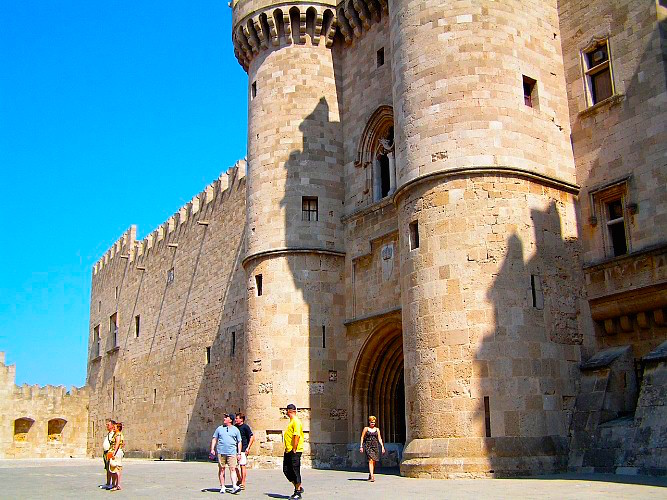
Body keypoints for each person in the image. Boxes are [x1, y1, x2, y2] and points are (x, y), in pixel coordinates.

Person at [210, 413, 242, 494]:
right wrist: (212, 449)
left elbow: (239, 442)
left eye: (226, 417)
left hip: (232, 452)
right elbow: (214, 438)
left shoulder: (235, 430)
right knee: (222, 469)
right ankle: (223, 486)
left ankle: (234, 485)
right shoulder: (219, 428)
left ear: (230, 420)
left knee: (233, 469)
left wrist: (239, 453)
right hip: (221, 452)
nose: (224, 418)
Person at [283, 404, 304, 500]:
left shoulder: (296, 421)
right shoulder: (291, 422)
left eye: (286, 411)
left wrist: (294, 448)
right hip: (288, 450)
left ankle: (298, 492)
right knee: (286, 470)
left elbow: (297, 435)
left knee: (295, 470)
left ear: (289, 411)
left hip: (295, 450)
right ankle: (298, 486)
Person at [359, 416, 385, 482]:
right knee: (370, 460)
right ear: (369, 422)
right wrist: (361, 446)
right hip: (368, 445)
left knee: (374, 460)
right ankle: (372, 476)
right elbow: (362, 437)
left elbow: (379, 438)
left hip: (375, 446)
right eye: (371, 422)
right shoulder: (366, 429)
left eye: (373, 422)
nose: (372, 423)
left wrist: (382, 446)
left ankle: (371, 474)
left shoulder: (377, 429)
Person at [234, 413, 255, 490]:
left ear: (241, 419)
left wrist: (248, 448)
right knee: (234, 466)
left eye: (237, 418)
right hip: (235, 449)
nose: (236, 420)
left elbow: (252, 437)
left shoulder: (245, 427)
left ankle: (243, 482)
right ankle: (239, 479)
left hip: (243, 449)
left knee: (242, 465)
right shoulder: (235, 427)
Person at [99, 419, 116, 490]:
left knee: (111, 468)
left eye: (108, 425)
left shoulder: (113, 434)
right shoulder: (109, 434)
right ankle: (108, 483)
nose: (107, 426)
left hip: (109, 452)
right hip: (106, 453)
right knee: (107, 468)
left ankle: (113, 484)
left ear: (112, 426)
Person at [109, 422, 125, 491]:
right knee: (115, 468)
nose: (113, 428)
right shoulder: (118, 434)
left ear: (118, 428)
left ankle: (117, 484)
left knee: (117, 468)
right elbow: (123, 444)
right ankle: (116, 484)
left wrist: (114, 453)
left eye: (115, 427)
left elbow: (117, 444)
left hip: (116, 452)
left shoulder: (118, 434)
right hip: (117, 451)